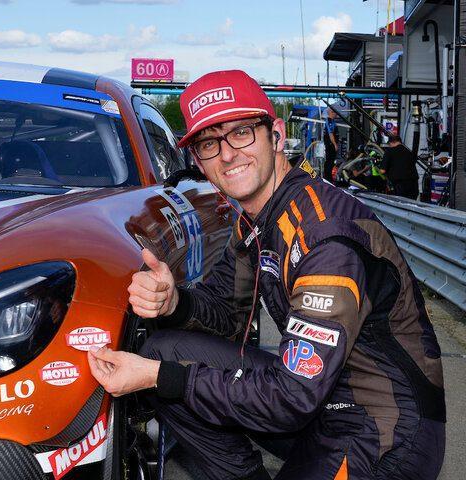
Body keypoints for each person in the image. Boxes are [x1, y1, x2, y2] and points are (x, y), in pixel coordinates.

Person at [86, 70, 446, 480]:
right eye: (209, 143)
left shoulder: (323, 238)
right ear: (199, 162)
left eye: (241, 132)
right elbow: (226, 313)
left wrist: (158, 379)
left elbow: (291, 398)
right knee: (164, 350)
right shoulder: (254, 223)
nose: (227, 154)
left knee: (164, 372)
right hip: (318, 408)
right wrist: (175, 302)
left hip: (386, 428)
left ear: (275, 135)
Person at [379, 134, 420, 200]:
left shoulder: (389, 152)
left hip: (399, 185)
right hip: (413, 184)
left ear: (391, 142)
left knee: (401, 205)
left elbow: (382, 170)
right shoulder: (408, 151)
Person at [322, 107, 339, 183]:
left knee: (330, 161)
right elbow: (330, 133)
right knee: (329, 161)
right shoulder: (329, 121)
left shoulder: (331, 121)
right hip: (330, 144)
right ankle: (327, 177)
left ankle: (328, 177)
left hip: (330, 143)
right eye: (334, 112)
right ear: (331, 113)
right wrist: (335, 144)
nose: (335, 114)